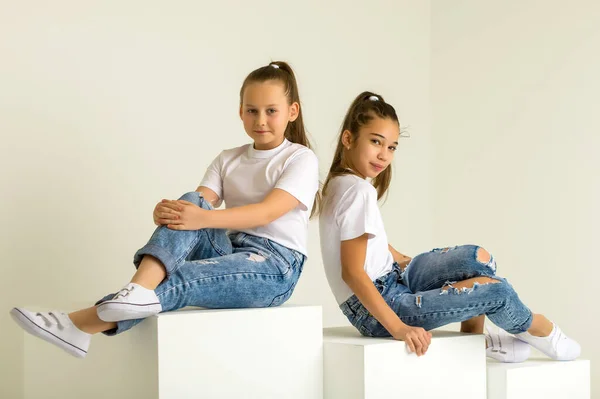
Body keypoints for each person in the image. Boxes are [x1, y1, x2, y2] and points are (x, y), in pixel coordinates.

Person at [11, 61, 319, 359]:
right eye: (252, 111)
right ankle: (137, 290)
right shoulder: (228, 158)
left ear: (292, 112)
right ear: (240, 112)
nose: (260, 120)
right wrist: (172, 214)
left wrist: (203, 218)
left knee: (183, 274)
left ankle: (79, 324)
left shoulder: (300, 159)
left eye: (271, 111)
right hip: (232, 251)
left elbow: (266, 213)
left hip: (276, 267)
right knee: (189, 201)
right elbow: (197, 205)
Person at [318, 91, 580, 362]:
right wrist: (398, 328)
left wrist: (404, 261)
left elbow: (366, 241)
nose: (383, 155)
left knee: (478, 258)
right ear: (348, 139)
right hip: (379, 308)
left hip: (392, 278)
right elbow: (352, 272)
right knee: (498, 291)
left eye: (392, 147)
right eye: (376, 142)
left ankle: (475, 339)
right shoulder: (356, 191)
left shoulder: (342, 183)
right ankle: (536, 325)